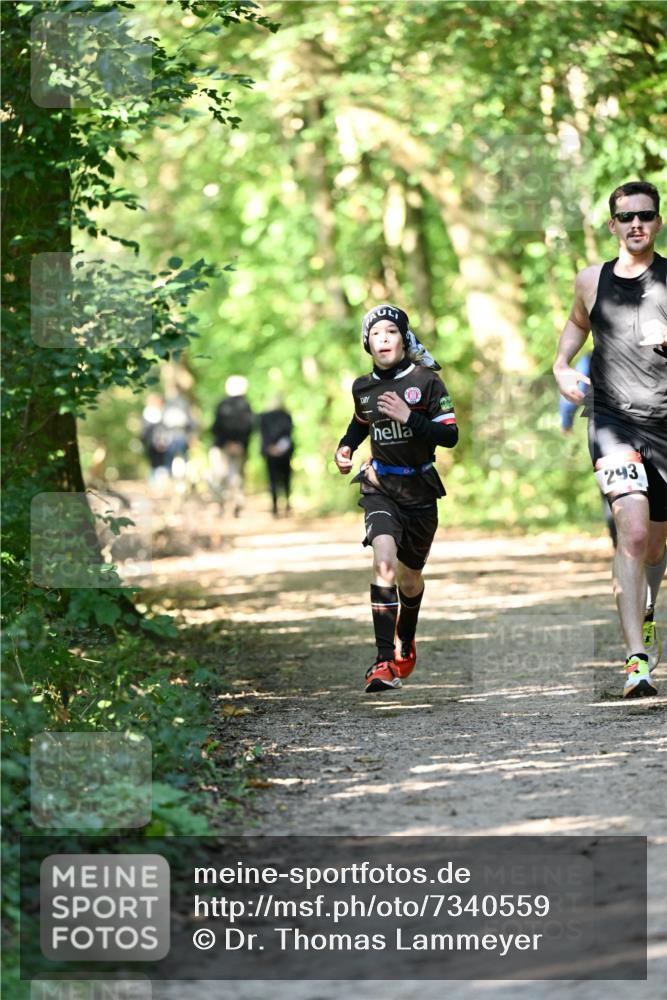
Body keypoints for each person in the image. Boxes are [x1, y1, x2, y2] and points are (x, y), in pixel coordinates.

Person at [553, 180, 667, 698]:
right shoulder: (590, 280)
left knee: (656, 544)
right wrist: (560, 367)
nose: (636, 224)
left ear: (658, 222)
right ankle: (636, 662)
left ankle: (646, 606)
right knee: (635, 533)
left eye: (645, 215)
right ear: (613, 225)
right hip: (611, 421)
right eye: (627, 217)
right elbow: (577, 327)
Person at [334, 304, 458, 693]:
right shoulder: (363, 388)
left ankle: (407, 634)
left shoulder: (427, 381)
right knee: (383, 563)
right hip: (380, 485)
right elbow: (360, 422)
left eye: (391, 332)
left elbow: (449, 436)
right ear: (366, 344)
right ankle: (383, 661)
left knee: (409, 579)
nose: (383, 339)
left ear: (404, 339)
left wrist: (409, 417)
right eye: (375, 334)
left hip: (420, 491)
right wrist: (345, 446)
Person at [558, 352, 617, 547]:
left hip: (604, 429)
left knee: (612, 490)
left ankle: (620, 544)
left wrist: (566, 421)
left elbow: (574, 390)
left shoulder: (592, 357)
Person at [209, 375, 255, 516]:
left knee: (222, 476)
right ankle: (236, 504)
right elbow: (250, 427)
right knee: (235, 476)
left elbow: (216, 426)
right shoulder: (245, 405)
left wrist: (226, 442)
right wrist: (239, 443)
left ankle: (222, 505)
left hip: (224, 446)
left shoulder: (222, 404)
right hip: (236, 446)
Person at [259, 398, 294, 517]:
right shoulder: (286, 416)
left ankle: (275, 507)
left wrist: (269, 448)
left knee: (273, 480)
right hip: (284, 453)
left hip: (271, 453)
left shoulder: (264, 417)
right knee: (285, 480)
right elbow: (289, 434)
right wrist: (281, 449)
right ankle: (287, 504)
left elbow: (263, 435)